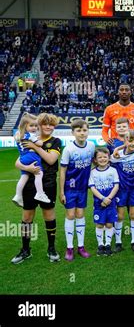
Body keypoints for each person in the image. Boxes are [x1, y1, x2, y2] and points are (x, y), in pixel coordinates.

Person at [11, 113, 61, 264]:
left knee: (49, 216)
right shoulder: (29, 137)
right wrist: (27, 168)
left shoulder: (55, 141)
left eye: (51, 125)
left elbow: (51, 159)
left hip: (48, 183)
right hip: (29, 184)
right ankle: (26, 250)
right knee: (27, 217)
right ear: (39, 125)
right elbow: (17, 162)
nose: (48, 127)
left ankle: (51, 248)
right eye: (45, 124)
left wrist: (35, 147)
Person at [59, 119, 96, 261]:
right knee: (70, 215)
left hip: (83, 188)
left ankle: (80, 246)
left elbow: (95, 161)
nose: (82, 133)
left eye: (84, 130)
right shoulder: (68, 149)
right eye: (79, 130)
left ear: (88, 132)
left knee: (80, 214)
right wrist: (61, 191)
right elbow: (62, 171)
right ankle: (69, 247)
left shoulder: (91, 146)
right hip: (70, 188)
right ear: (73, 132)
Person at [111, 130, 134, 252]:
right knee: (120, 216)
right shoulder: (117, 155)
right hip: (121, 190)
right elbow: (104, 162)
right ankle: (118, 242)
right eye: (130, 141)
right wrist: (116, 149)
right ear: (125, 141)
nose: (133, 143)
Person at [12, 113, 51, 207]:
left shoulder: (18, 134)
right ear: (25, 126)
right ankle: (40, 193)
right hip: (31, 155)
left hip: (22, 157)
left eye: (36, 126)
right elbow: (40, 144)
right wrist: (38, 140)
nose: (34, 128)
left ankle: (18, 195)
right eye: (31, 125)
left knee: (24, 176)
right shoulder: (30, 135)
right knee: (39, 173)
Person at [89, 148, 120, 257]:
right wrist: (103, 199)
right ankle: (100, 245)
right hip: (99, 203)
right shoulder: (92, 172)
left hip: (111, 202)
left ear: (109, 158)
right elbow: (92, 188)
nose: (102, 159)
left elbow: (116, 185)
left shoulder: (113, 170)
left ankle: (108, 244)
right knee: (100, 223)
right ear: (95, 160)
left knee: (109, 223)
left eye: (105, 157)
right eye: (100, 157)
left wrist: (109, 198)